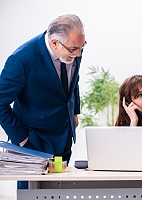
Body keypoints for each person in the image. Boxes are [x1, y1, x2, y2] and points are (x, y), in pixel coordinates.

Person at [0, 14, 86, 186]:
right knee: (32, 195)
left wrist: (74, 111)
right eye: (73, 49)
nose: (78, 54)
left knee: (60, 193)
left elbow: (73, 81)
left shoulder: (73, 49)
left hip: (63, 137)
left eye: (82, 47)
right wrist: (22, 139)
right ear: (54, 43)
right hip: (33, 144)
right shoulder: (22, 59)